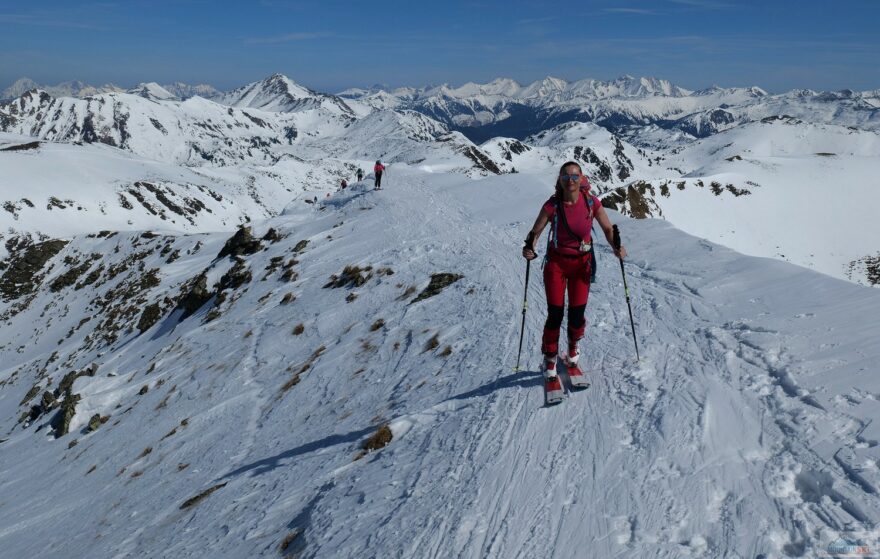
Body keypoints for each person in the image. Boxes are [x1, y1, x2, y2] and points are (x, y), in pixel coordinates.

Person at [522, 161, 627, 397]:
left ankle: (572, 351)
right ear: (560, 179)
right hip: (557, 265)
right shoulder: (552, 205)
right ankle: (550, 360)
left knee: (577, 313)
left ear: (582, 178)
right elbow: (536, 231)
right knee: (556, 313)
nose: (571, 180)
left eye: (575, 176)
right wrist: (529, 248)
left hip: (582, 265)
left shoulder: (591, 202)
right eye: (566, 176)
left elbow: (608, 228)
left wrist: (616, 246)